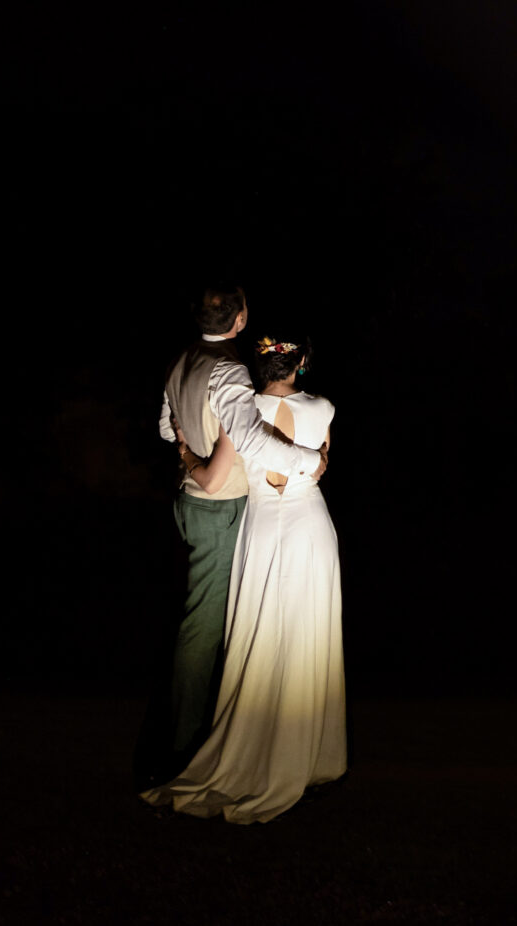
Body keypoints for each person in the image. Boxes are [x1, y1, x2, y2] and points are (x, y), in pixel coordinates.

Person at [142, 332, 345, 823]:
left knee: (259, 635)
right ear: (299, 367)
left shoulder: (242, 412)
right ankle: (310, 754)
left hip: (261, 527)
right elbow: (321, 463)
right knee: (307, 636)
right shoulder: (325, 407)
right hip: (310, 526)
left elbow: (213, 470)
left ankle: (252, 746)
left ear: (260, 369)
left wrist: (187, 458)